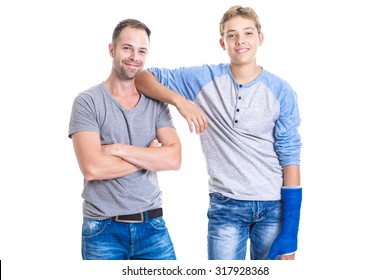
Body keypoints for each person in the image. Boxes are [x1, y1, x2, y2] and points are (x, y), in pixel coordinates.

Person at [135, 5, 302, 260]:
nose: (240, 41)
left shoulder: (281, 91)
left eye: (247, 33)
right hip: (226, 207)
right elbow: (142, 78)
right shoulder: (204, 78)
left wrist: (290, 233)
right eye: (232, 35)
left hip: (273, 207)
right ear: (222, 42)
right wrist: (181, 102)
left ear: (260, 38)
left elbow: (290, 155)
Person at [68, 19, 181, 260]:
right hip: (102, 230)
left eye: (142, 51)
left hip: (152, 226)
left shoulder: (155, 103)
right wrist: (149, 156)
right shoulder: (87, 102)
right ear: (112, 49)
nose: (134, 57)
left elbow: (174, 159)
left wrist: (117, 149)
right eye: (127, 48)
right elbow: (92, 168)